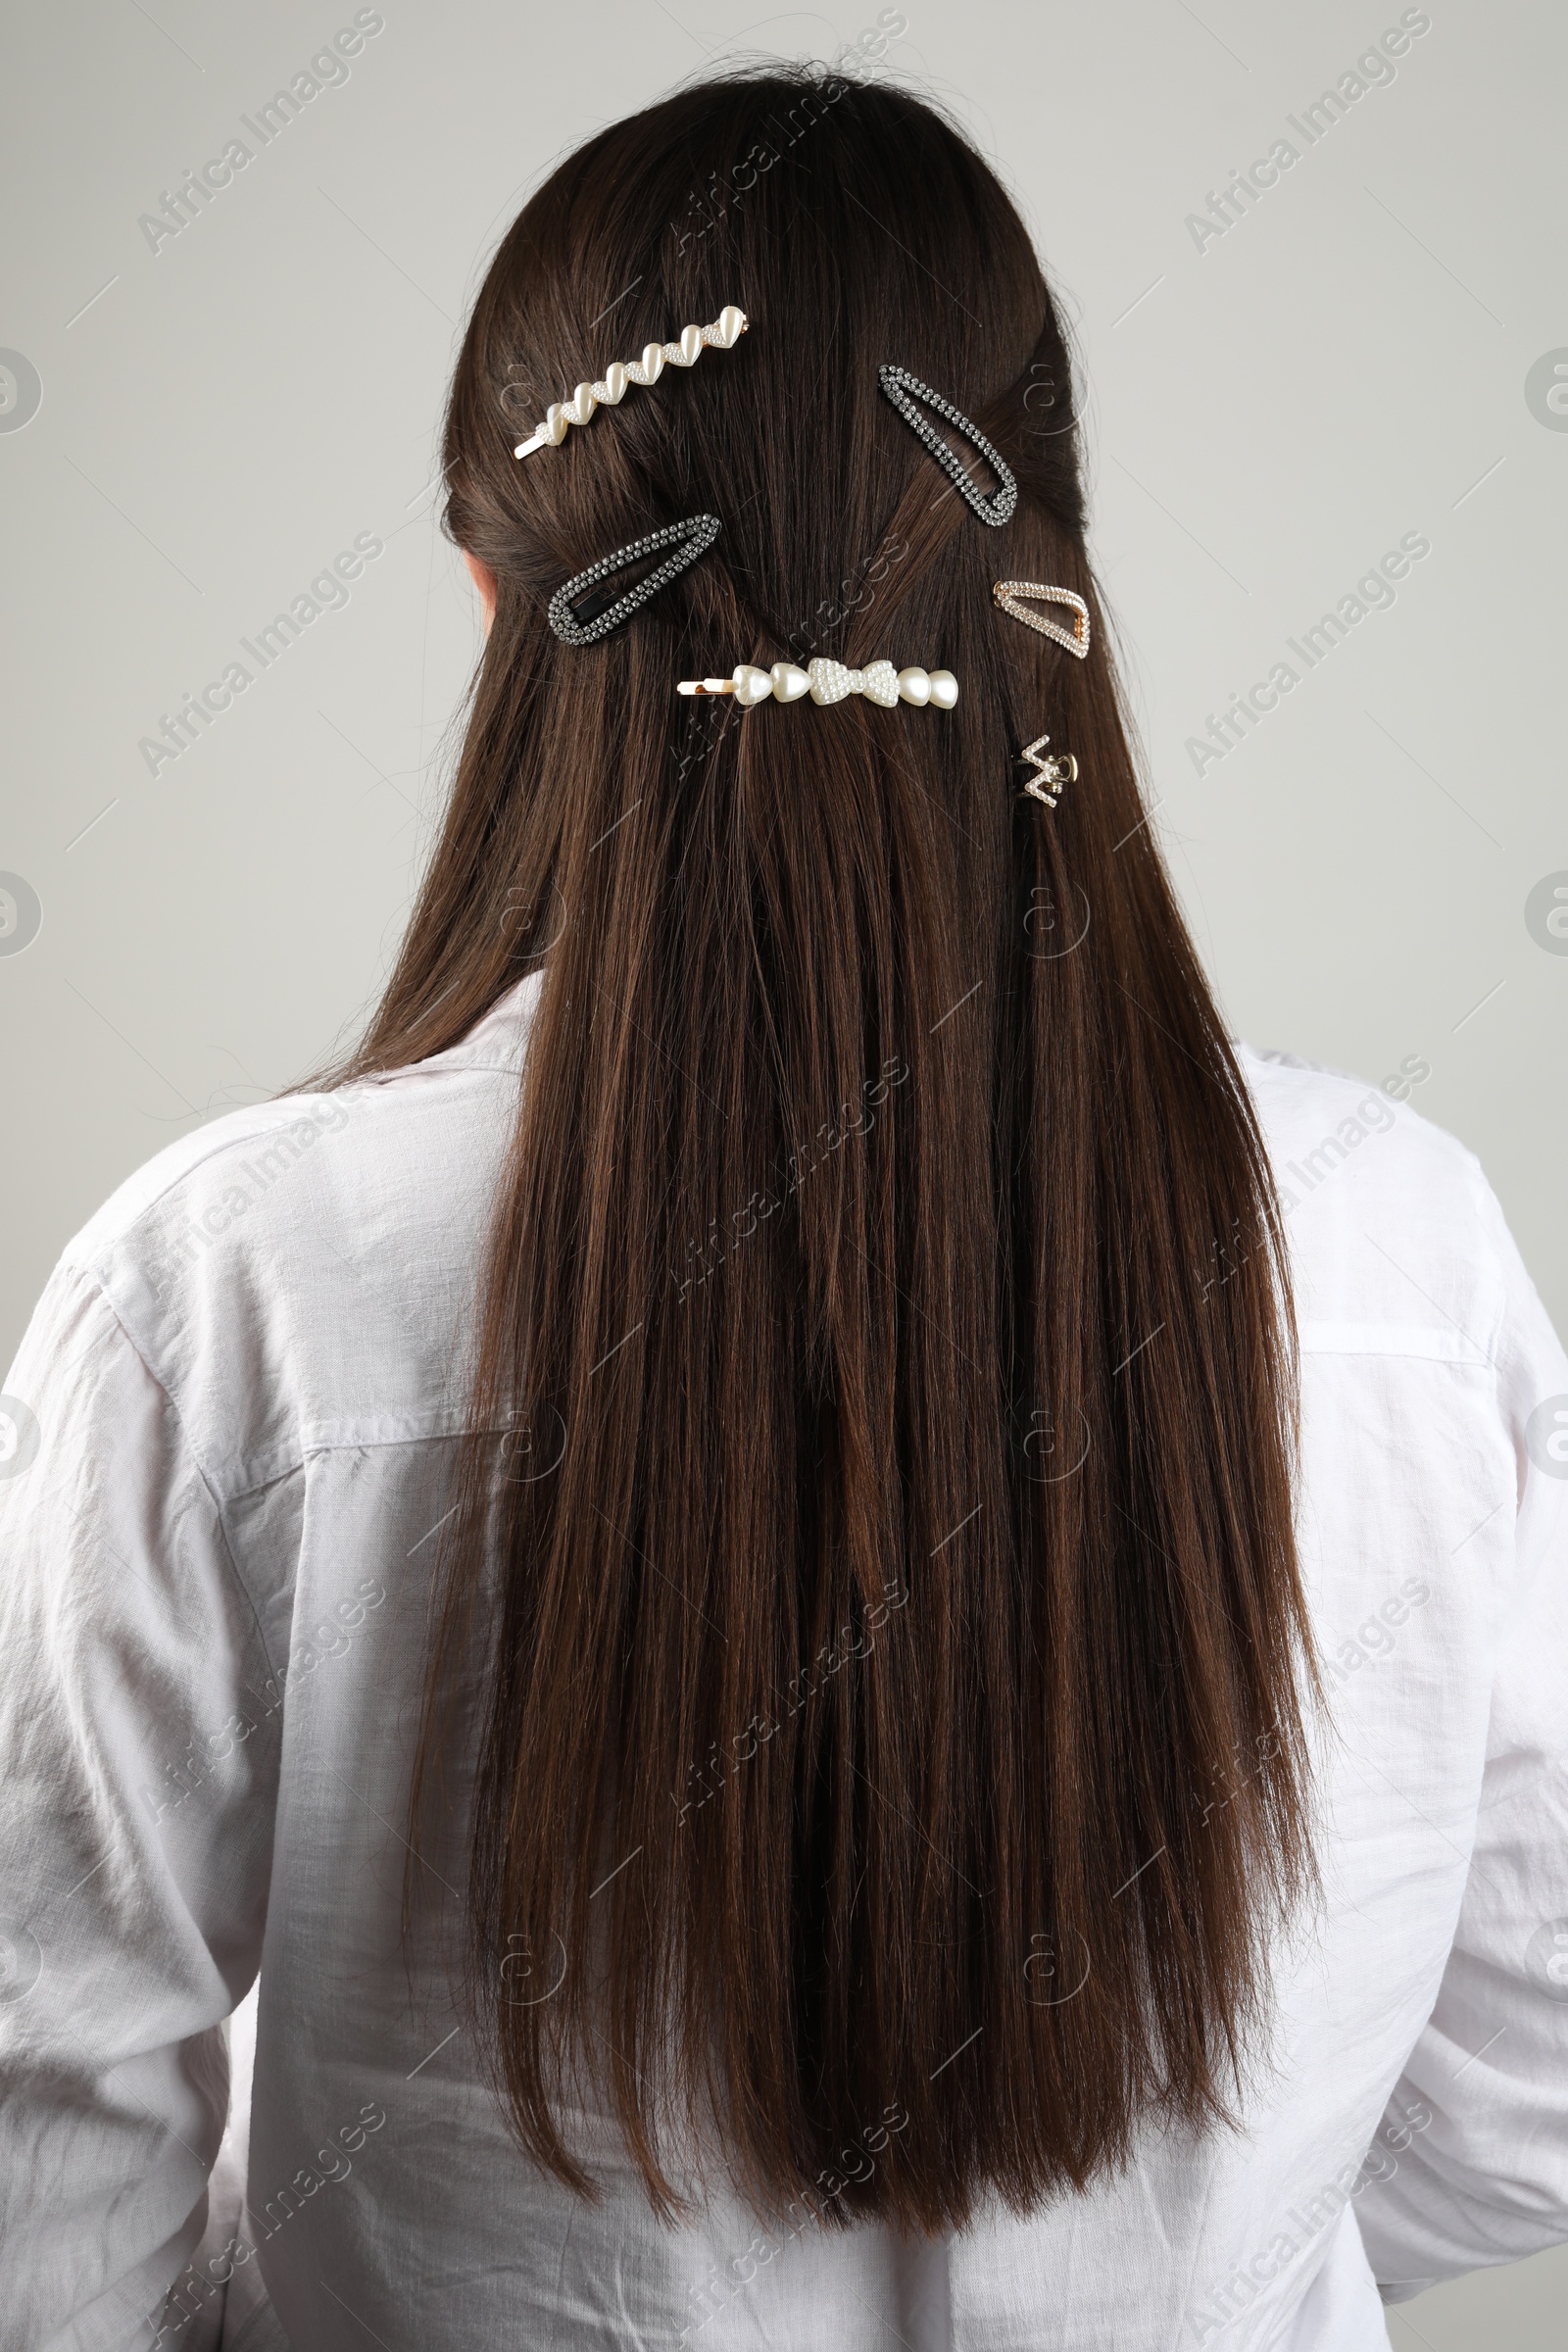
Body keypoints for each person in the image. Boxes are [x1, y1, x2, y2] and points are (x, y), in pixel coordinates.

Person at [2, 68, 1565, 2352]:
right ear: (1048, 577)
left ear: (487, 589)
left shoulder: (235, 1289)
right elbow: (1522, 2081)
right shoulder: (1399, 1250)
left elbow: (45, 2141)